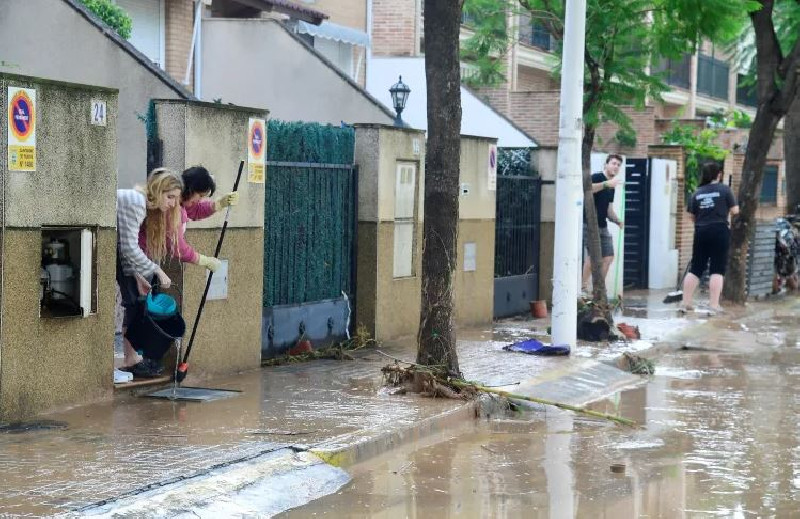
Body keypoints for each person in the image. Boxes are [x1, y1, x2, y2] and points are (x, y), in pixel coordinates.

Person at [116, 168, 182, 374]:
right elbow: (128, 247)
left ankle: (133, 358)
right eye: (170, 196)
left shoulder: (140, 204)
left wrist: (137, 276)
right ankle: (131, 359)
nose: (172, 204)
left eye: (176, 199)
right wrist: (157, 271)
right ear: (157, 189)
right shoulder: (136, 202)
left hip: (121, 258)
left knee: (135, 301)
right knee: (134, 303)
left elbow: (122, 246)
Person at [137, 166, 239, 273]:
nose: (200, 200)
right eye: (200, 195)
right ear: (191, 189)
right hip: (137, 257)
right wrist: (204, 261)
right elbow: (178, 247)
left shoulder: (178, 201)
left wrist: (219, 204)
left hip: (144, 258)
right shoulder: (170, 207)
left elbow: (196, 209)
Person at [680, 161, 739, 314]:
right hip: (720, 231)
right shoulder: (725, 190)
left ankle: (685, 303)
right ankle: (713, 305)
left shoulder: (696, 193)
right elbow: (735, 211)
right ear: (718, 174)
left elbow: (691, 216)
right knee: (717, 269)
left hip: (701, 231)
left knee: (696, 268)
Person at [582, 153, 625, 293]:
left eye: (618, 165)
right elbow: (588, 189)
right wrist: (606, 184)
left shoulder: (612, 186)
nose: (616, 167)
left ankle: (598, 289)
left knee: (608, 257)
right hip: (589, 224)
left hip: (603, 225)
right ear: (606, 164)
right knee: (593, 256)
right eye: (613, 163)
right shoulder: (597, 177)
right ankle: (582, 286)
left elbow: (608, 209)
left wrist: (617, 220)